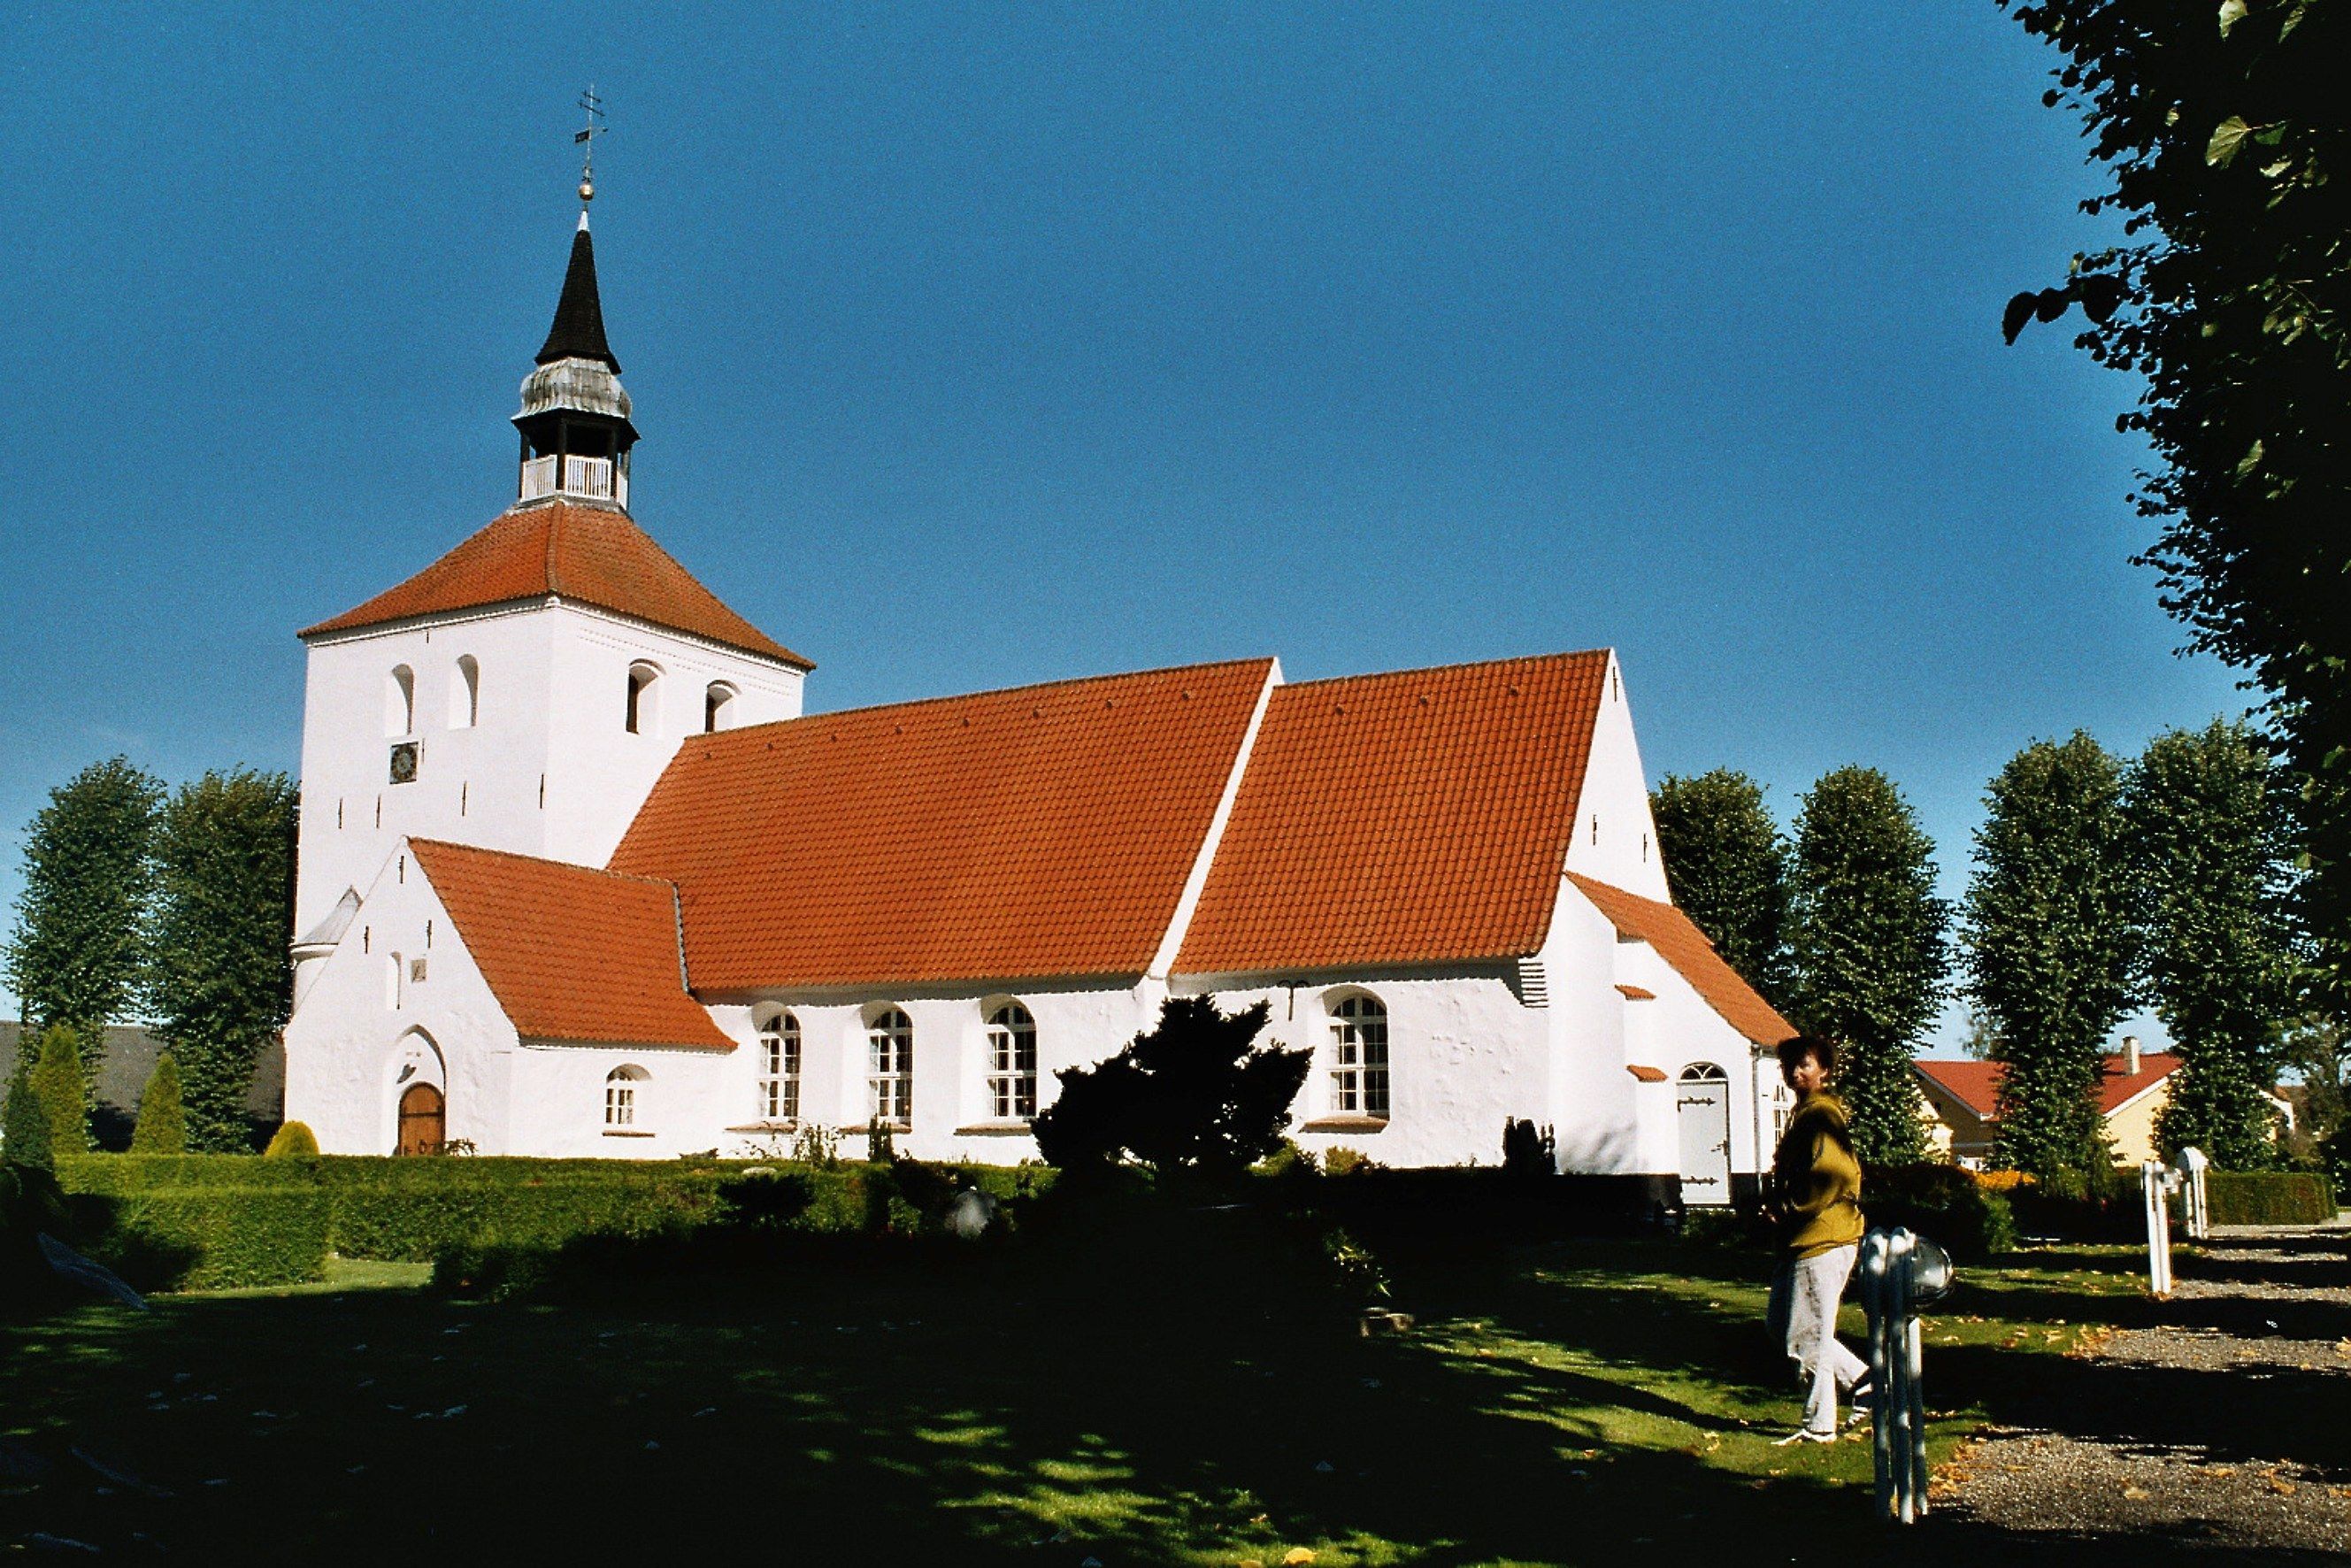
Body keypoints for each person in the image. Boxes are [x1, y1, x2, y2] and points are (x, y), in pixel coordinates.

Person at [1763, 1033, 1869, 1444]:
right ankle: (1866, 1383)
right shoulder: (1805, 1114)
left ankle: (1819, 1424)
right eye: (1789, 1066)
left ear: (1824, 1071)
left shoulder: (1821, 1116)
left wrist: (1788, 1209)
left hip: (1823, 1237)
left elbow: (1834, 1177)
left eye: (1804, 1064)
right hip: (1803, 1238)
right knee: (1781, 1324)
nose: (1795, 1072)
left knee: (1806, 1336)